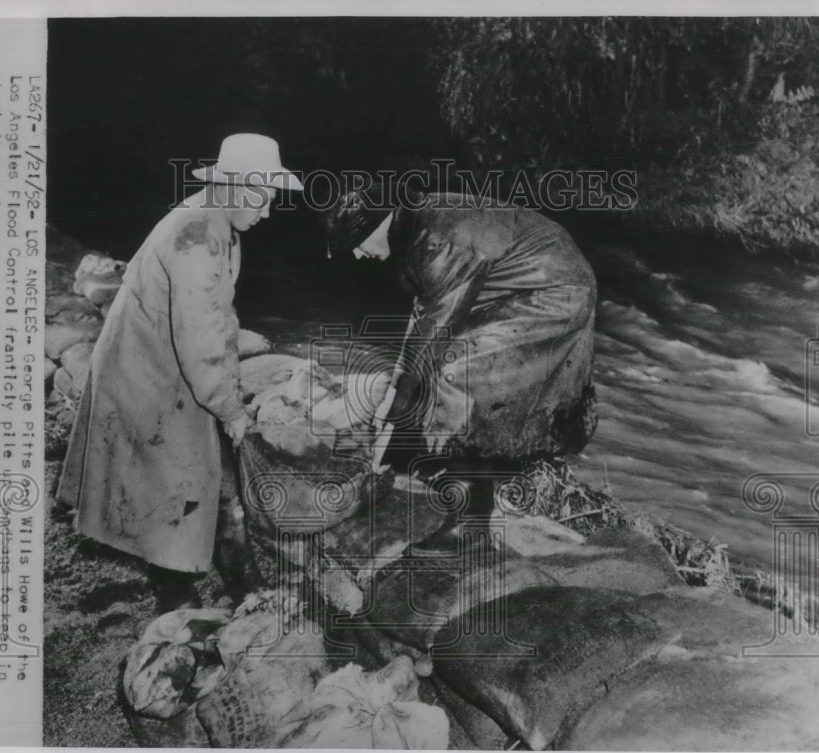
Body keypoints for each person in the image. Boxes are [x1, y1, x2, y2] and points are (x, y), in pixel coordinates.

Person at [58, 133, 303, 611]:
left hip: (160, 367)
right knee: (181, 486)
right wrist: (230, 409)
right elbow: (202, 337)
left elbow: (220, 319)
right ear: (237, 188)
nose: (269, 211)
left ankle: (196, 585)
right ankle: (174, 605)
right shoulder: (198, 237)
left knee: (187, 483)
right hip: (146, 376)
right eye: (266, 197)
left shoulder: (215, 224)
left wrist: (228, 391)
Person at [322, 183, 598, 514]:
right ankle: (425, 462)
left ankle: (459, 487)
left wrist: (397, 409)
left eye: (356, 243)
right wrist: (398, 384)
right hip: (511, 285)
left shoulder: (441, 239)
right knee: (422, 376)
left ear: (379, 223)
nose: (356, 253)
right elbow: (424, 319)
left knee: (456, 374)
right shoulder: (414, 232)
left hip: (555, 287)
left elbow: (438, 329)